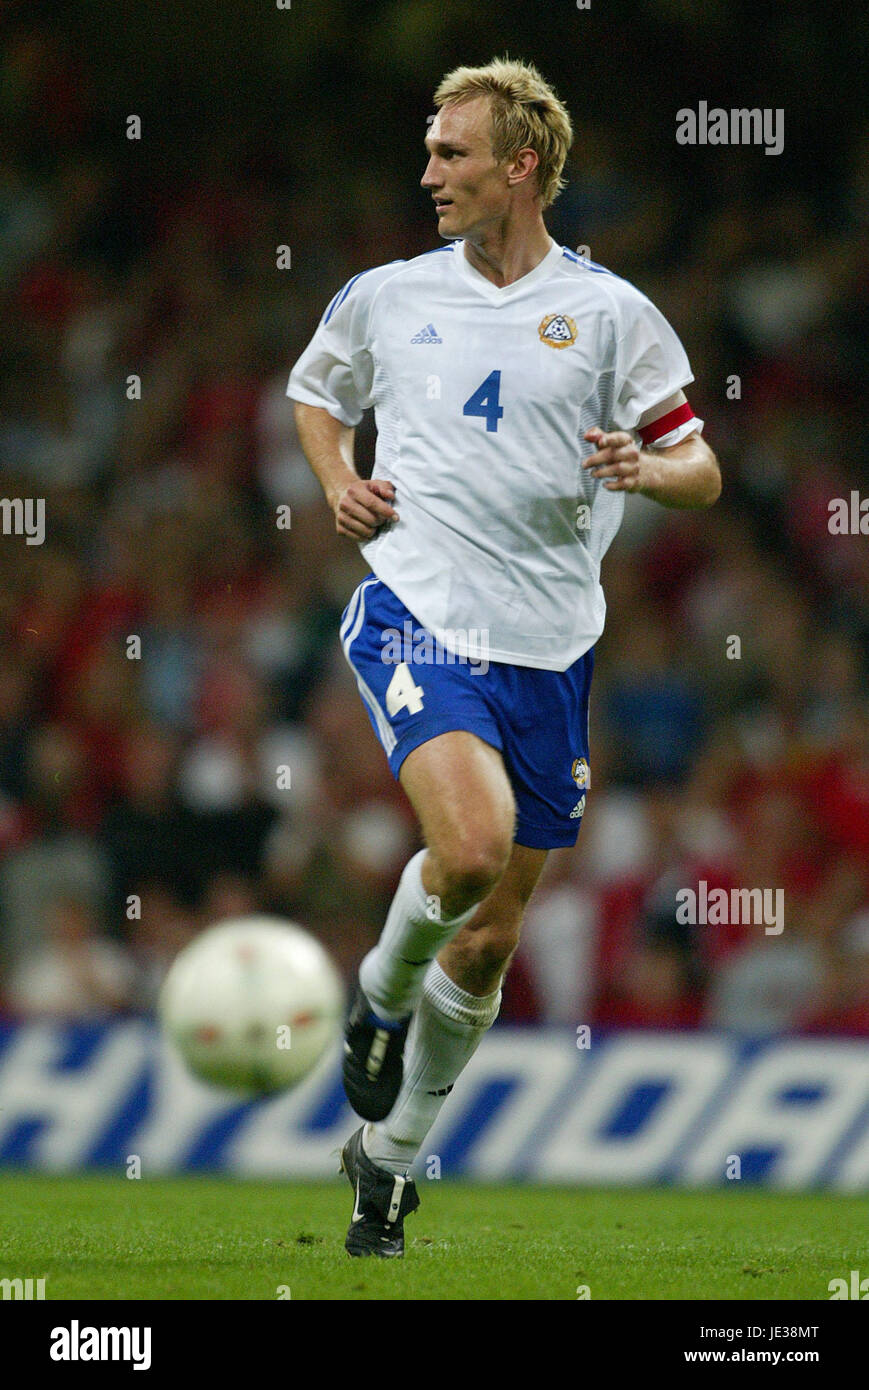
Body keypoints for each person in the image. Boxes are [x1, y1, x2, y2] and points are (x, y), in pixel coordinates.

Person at [288, 56, 721, 1257]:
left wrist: (648, 468)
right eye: (429, 151)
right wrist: (334, 479)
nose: (428, 172)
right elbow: (316, 396)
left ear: (519, 166)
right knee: (469, 850)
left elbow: (700, 466)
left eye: (451, 153)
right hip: (416, 613)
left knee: (484, 940)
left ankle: (387, 1162)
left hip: (549, 650)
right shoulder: (387, 295)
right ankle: (379, 999)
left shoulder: (610, 313)